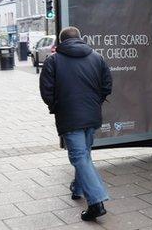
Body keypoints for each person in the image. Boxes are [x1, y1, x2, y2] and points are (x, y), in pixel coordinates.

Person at [39, 27, 112, 221]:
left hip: (69, 117)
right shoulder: (97, 57)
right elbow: (107, 85)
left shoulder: (53, 60)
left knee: (79, 156)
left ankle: (96, 202)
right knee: (84, 155)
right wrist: (95, 103)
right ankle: (78, 188)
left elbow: (46, 91)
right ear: (80, 39)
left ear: (61, 41)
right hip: (92, 115)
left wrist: (57, 106)